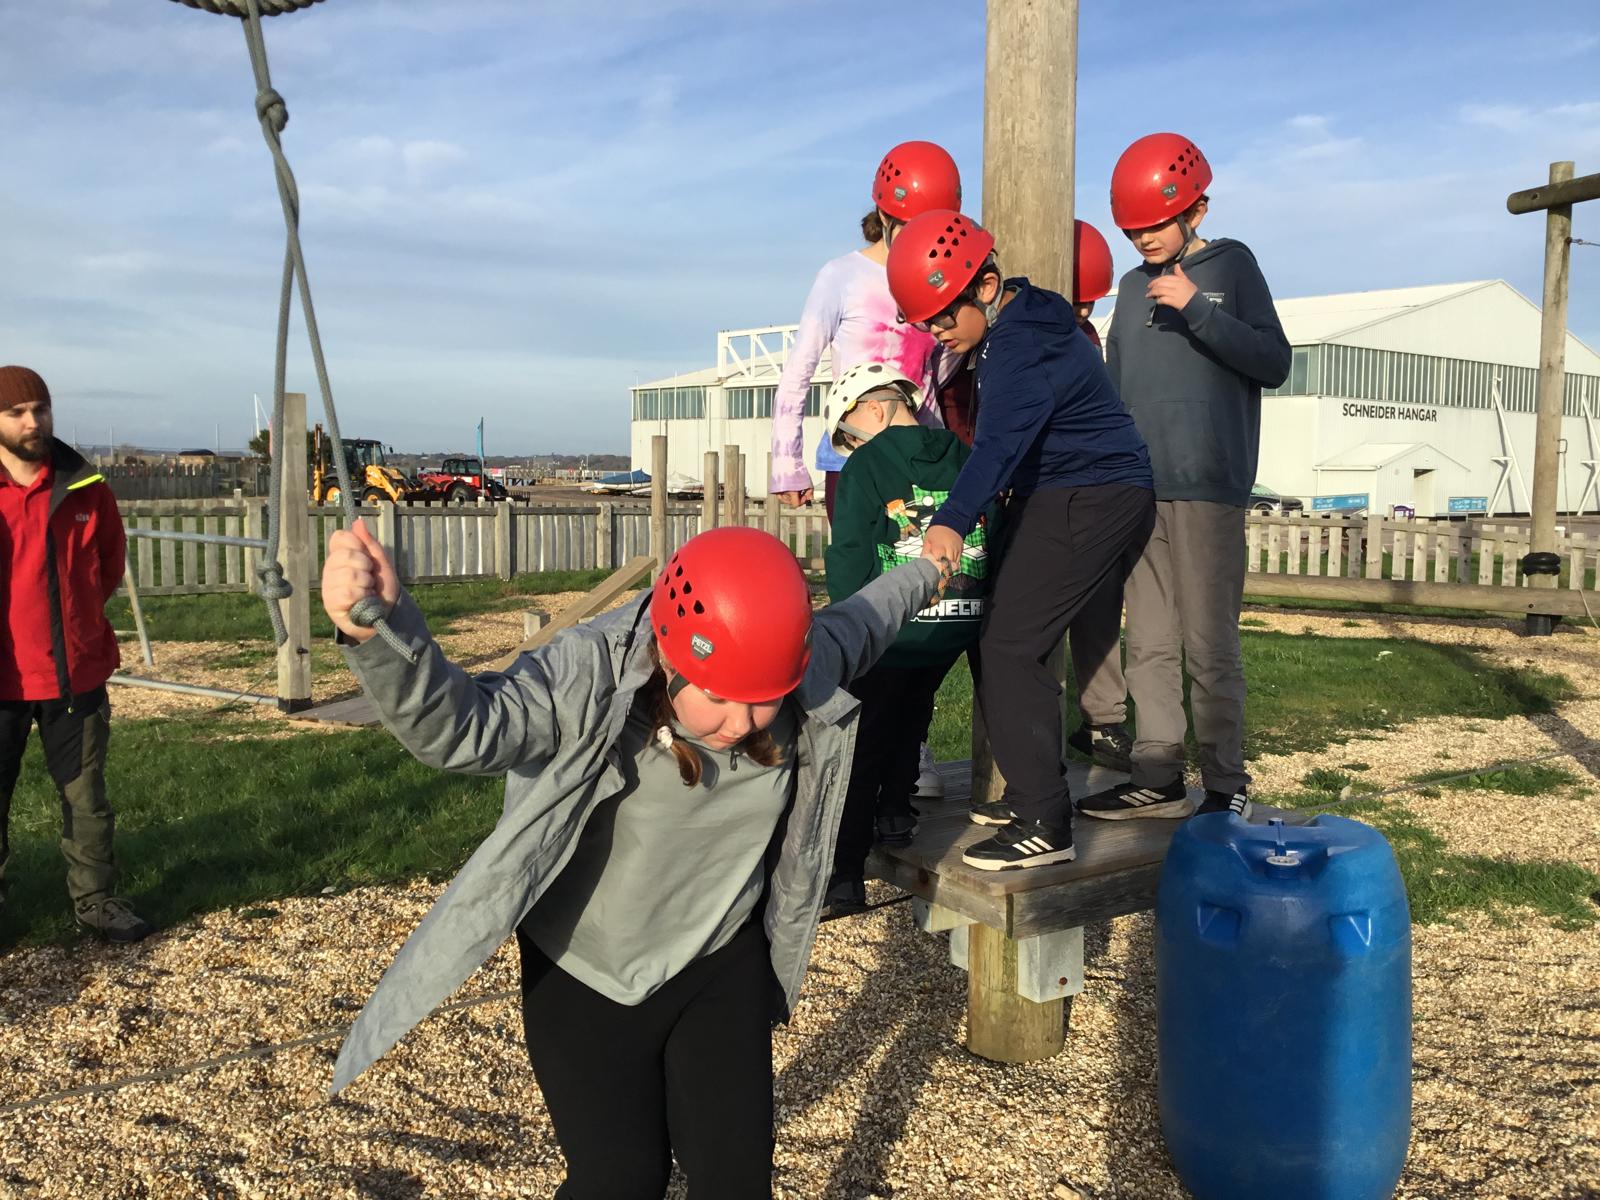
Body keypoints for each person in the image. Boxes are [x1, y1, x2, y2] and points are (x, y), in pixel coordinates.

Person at [320, 522, 952, 1197]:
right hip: (585, 973)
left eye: (762, 698)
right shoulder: (589, 676)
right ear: (671, 655)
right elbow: (467, 729)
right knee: (621, 1179)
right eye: (718, 697)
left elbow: (866, 619)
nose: (741, 722)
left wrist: (933, 570)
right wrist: (381, 634)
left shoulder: (798, 666)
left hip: (718, 960)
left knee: (737, 1178)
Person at [887, 212, 1156, 870]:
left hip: (1091, 492)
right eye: (924, 322)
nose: (936, 331)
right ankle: (1037, 794)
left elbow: (999, 445)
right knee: (1005, 639)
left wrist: (951, 519)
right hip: (1074, 489)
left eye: (942, 315)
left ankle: (1043, 822)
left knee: (1009, 644)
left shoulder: (1018, 344)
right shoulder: (1019, 325)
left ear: (986, 286)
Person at [1078, 133, 1290, 823]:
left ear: (1196, 208)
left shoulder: (1233, 264)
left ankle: (1226, 783)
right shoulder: (1129, 288)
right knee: (1148, 642)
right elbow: (1115, 389)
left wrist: (1199, 308)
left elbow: (1274, 360)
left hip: (1208, 487)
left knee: (1209, 646)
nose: (1143, 239)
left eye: (1155, 224)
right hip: (1141, 490)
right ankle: (1158, 776)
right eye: (1131, 230)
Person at [767, 138, 965, 806]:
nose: (920, 238)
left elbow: (941, 369)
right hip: (853, 461)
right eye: (910, 223)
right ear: (884, 215)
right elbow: (799, 365)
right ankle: (848, 738)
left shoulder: (937, 273)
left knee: (925, 596)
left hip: (916, 461)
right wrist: (785, 460)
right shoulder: (842, 276)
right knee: (862, 595)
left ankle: (910, 746)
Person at [819, 363, 999, 913]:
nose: (852, 448)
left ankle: (844, 873)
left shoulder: (867, 467)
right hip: (958, 620)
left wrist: (850, 626)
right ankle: (896, 812)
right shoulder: (965, 455)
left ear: (874, 409)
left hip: (892, 626)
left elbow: (851, 552)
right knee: (914, 706)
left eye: (850, 435)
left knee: (863, 739)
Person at [0, 366, 150, 941]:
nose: (32, 422)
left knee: (87, 800)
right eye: (16, 412)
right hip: (1, 680)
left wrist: (77, 623)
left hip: (74, 675)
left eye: (40, 409)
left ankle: (96, 902)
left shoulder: (88, 488)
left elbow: (108, 567)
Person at [1061, 218, 1137, 773]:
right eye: (1077, 300)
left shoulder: (1087, 338)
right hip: (1037, 487)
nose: (1084, 310)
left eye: (1091, 301)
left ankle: (1103, 721)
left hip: (1089, 484)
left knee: (1099, 605)